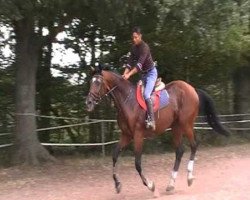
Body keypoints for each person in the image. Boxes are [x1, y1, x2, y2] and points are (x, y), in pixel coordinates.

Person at [122, 27, 158, 130]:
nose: (134, 39)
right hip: (143, 75)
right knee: (135, 95)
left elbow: (139, 65)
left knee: (146, 95)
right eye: (133, 37)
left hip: (151, 73)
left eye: (136, 37)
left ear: (140, 36)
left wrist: (129, 75)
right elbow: (129, 63)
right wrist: (124, 74)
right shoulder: (133, 48)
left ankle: (152, 120)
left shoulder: (145, 47)